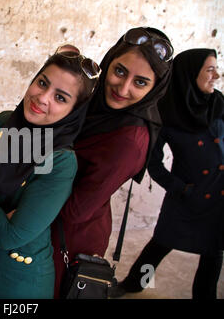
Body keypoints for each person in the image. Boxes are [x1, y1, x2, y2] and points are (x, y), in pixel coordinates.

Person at [0, 45, 101, 298]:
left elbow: (9, 236)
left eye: (60, 97)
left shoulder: (61, 162)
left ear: (74, 111)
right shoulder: (3, 122)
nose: (43, 97)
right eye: (42, 83)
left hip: (17, 280)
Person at [50, 27, 174, 298]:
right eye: (119, 71)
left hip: (66, 239)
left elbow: (75, 211)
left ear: (155, 89)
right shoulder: (94, 103)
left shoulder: (128, 141)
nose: (123, 88)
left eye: (140, 82)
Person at [114, 48, 223, 299]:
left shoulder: (219, 104)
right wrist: (181, 189)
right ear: (190, 73)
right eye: (209, 69)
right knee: (161, 244)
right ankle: (133, 284)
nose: (216, 75)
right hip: (187, 197)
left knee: (214, 252)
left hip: (218, 195)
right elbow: (154, 163)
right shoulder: (168, 113)